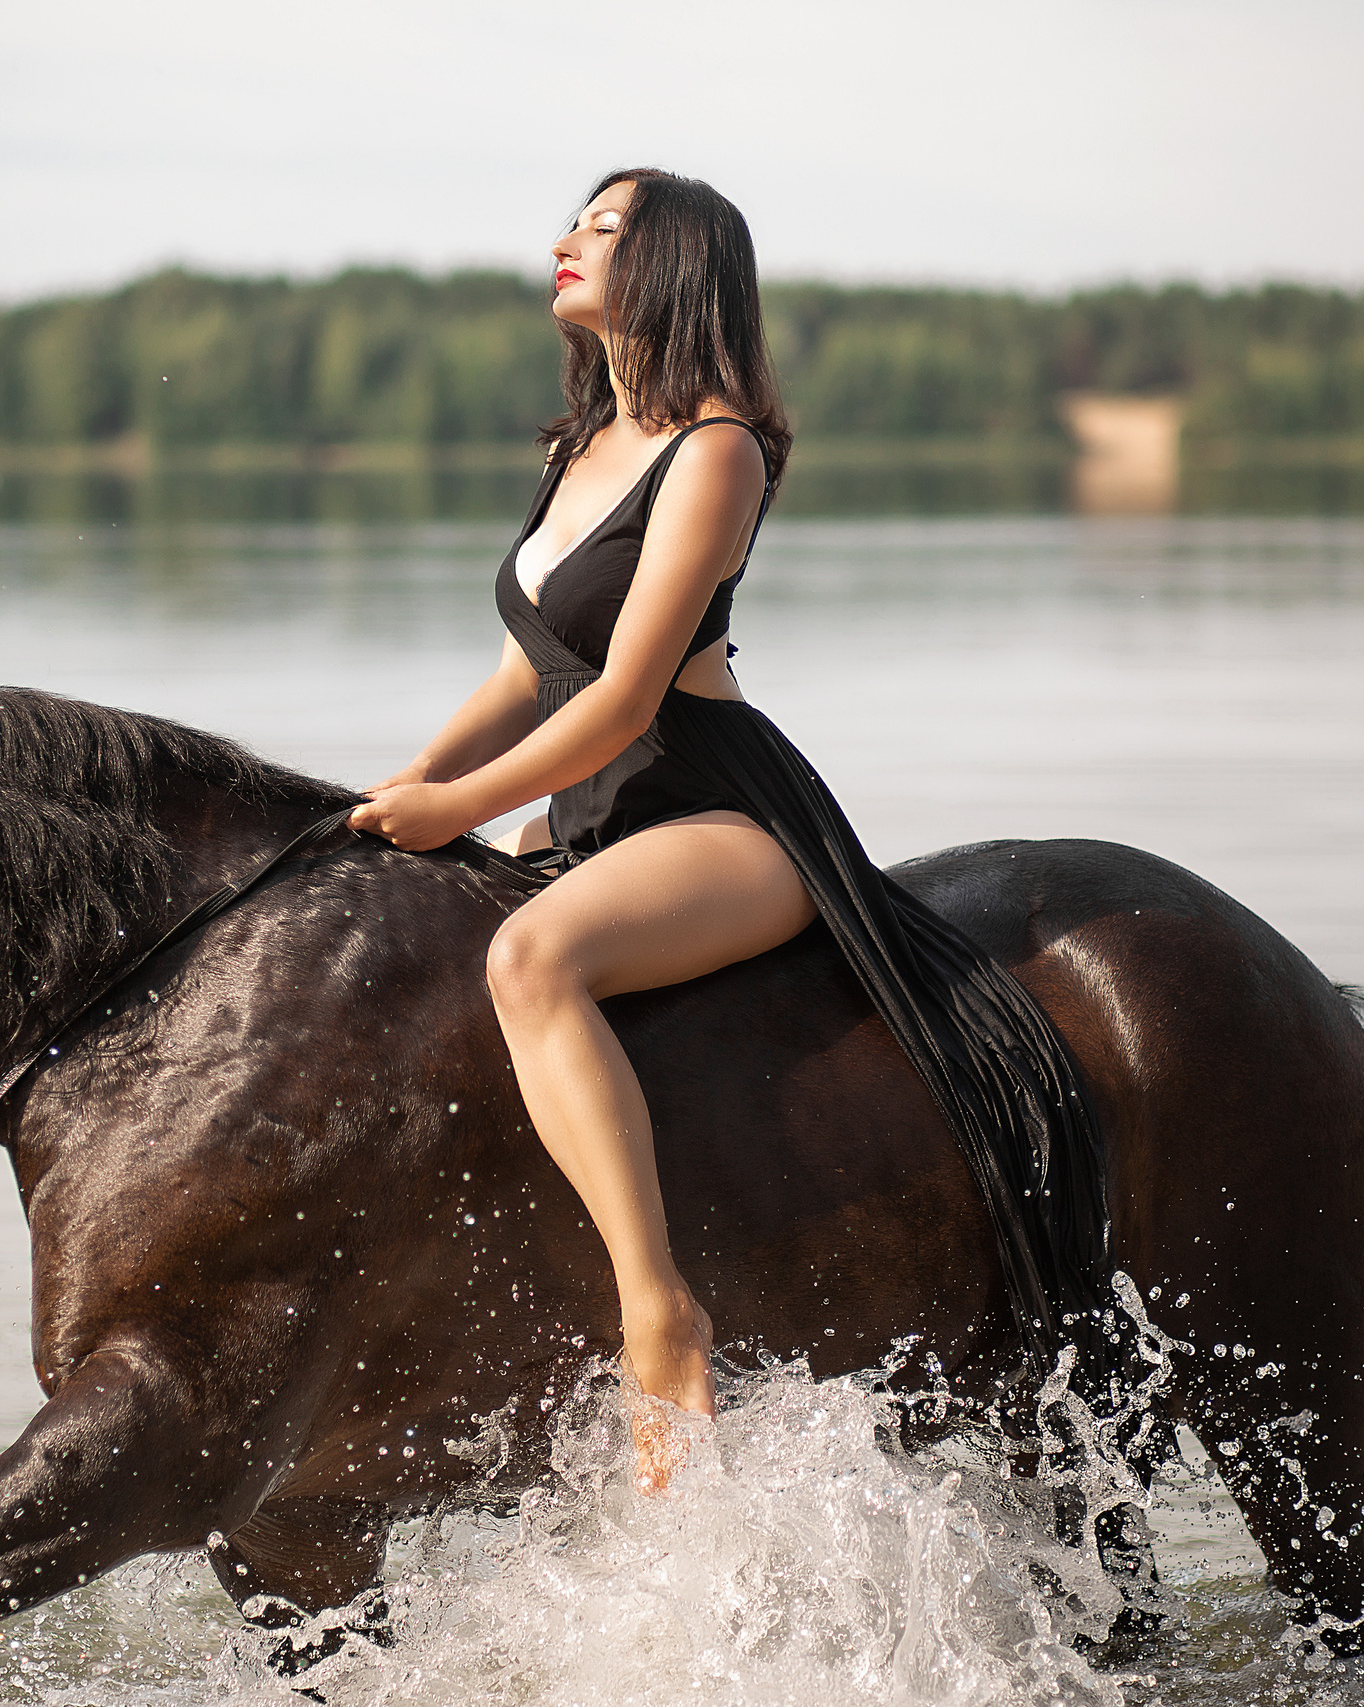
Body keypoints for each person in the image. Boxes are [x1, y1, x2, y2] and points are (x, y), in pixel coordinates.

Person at [348, 168, 1106, 1495]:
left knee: (532, 963)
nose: (565, 243)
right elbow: (530, 671)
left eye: (602, 228)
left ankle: (659, 1308)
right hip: (584, 807)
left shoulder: (719, 450)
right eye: (571, 223)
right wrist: (392, 794)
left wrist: (458, 814)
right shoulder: (577, 448)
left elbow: (628, 693)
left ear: (679, 263)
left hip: (717, 809)